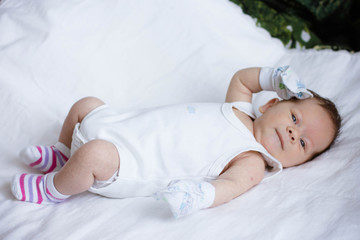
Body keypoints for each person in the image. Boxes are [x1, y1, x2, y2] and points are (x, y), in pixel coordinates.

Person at [11, 66, 341, 218]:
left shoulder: (251, 159)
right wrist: (274, 77)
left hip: (127, 161)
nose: (295, 134)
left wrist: (200, 195)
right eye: (295, 119)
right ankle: (62, 154)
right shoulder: (240, 108)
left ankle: (52, 188)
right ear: (270, 104)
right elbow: (242, 79)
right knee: (86, 105)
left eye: (304, 144)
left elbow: (230, 186)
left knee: (93, 155)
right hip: (120, 127)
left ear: (299, 163)